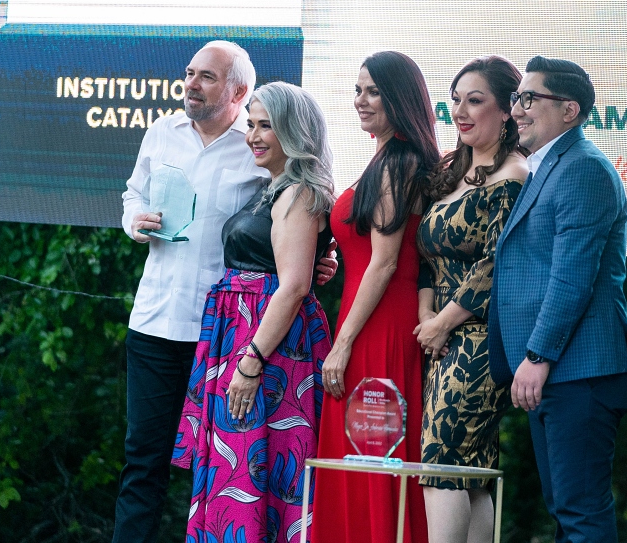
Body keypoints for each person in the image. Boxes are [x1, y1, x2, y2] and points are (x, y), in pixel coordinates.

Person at [116, 43, 335, 543]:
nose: (191, 83)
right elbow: (133, 193)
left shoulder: (259, 144)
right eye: (190, 73)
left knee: (221, 465)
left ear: (239, 91)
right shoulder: (160, 133)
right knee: (142, 460)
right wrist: (135, 220)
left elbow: (297, 208)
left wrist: (321, 252)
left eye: (206, 77)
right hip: (155, 320)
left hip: (226, 338)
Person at [489, 57, 627, 543]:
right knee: (566, 511)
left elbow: (571, 278)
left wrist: (537, 356)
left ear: (569, 110)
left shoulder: (583, 169)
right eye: (517, 98)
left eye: (528, 98)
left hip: (580, 371)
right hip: (563, 372)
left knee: (580, 515)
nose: (516, 110)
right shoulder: (550, 167)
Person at [171, 82, 335, 543]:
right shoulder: (277, 188)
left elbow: (294, 286)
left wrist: (251, 362)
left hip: (269, 350)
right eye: (251, 125)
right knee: (237, 468)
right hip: (243, 334)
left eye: (267, 126)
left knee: (255, 468)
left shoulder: (299, 193)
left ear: (294, 131)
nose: (254, 136)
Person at [312, 51, 439, 543]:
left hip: (379, 326)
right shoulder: (388, 158)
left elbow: (386, 262)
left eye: (373, 91)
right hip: (368, 316)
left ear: (399, 98)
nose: (361, 101)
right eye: (358, 90)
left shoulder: (399, 161)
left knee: (373, 456)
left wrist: (342, 343)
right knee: (361, 455)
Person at [413, 56, 528, 543]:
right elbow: (426, 259)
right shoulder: (449, 170)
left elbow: (495, 266)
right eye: (456, 99)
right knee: (469, 472)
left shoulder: (515, 175)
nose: (460, 110)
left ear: (506, 111)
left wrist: (443, 324)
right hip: (439, 338)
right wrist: (426, 318)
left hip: (478, 342)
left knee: (441, 468)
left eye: (475, 100)